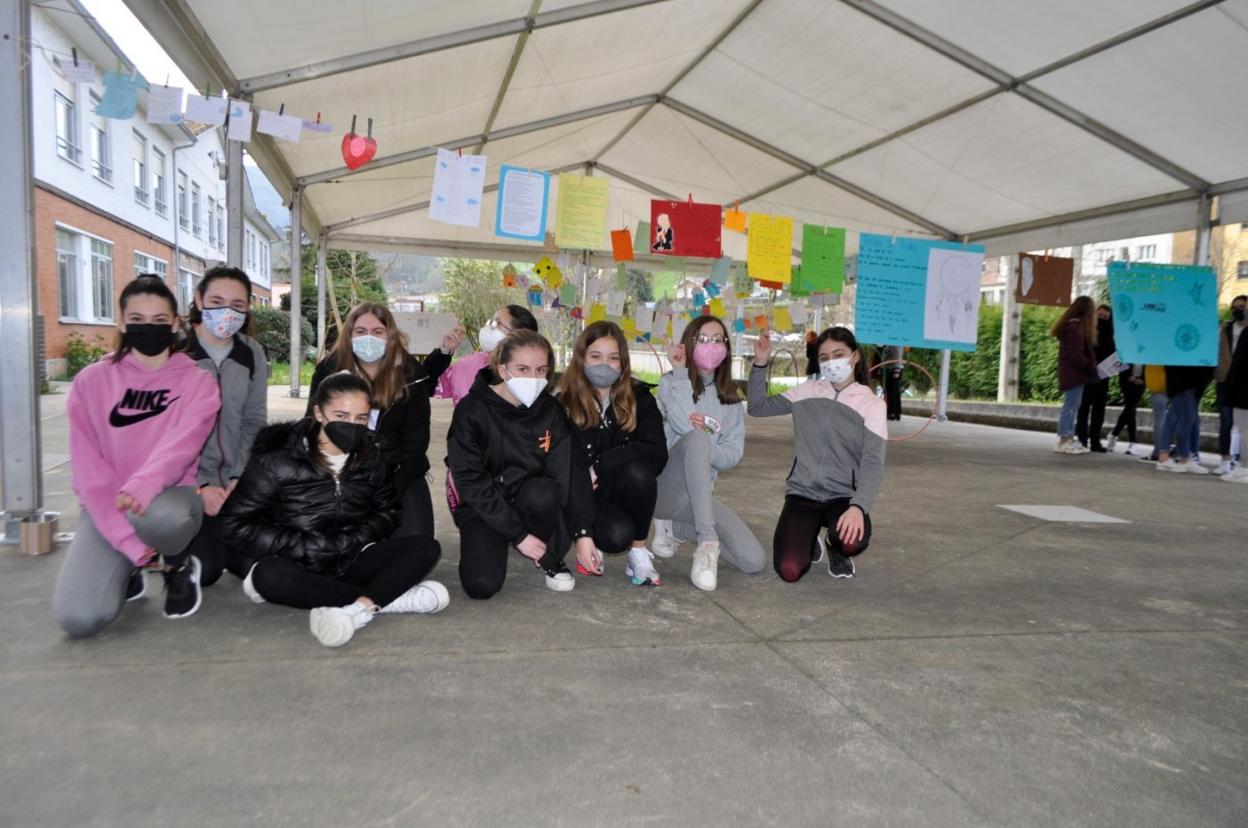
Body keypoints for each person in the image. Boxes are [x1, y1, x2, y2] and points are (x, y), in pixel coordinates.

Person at [220, 372, 448, 647]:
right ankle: (382, 600)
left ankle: (357, 609)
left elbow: (388, 512)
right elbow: (232, 524)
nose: (351, 426)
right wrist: (304, 545)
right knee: (268, 577)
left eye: (361, 418)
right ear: (318, 412)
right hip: (297, 560)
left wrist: (355, 539)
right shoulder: (277, 460)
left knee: (425, 548)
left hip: (350, 555)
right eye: (341, 415)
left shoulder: (371, 457)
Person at [53, 276, 221, 637]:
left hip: (164, 500)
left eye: (160, 321)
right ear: (122, 323)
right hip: (106, 505)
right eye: (137, 319)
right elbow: (87, 468)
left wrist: (143, 485)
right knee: (80, 618)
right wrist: (123, 537)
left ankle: (176, 566)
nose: (148, 328)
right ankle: (131, 563)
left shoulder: (198, 382)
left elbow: (183, 444)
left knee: (168, 517)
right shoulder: (90, 382)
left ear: (176, 324)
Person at [307, 303, 463, 538]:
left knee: (417, 543)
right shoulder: (328, 370)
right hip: (341, 469)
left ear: (390, 335)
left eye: (377, 331)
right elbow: (312, 425)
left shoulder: (411, 374)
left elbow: (416, 442)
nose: (368, 338)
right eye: (360, 331)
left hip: (397, 470)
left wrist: (392, 487)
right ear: (349, 335)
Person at [445, 328, 576, 598]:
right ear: (503, 370)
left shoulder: (551, 410)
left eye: (541, 370)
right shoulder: (471, 411)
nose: (534, 378)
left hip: (530, 498)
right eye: (523, 369)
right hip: (485, 504)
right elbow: (470, 481)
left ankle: (547, 556)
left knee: (542, 495)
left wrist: (561, 539)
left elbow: (559, 477)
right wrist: (518, 535)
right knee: (481, 586)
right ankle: (504, 540)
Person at [750, 326, 886, 581]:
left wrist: (858, 507)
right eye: (824, 358)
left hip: (843, 496)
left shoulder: (872, 405)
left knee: (851, 540)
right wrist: (760, 363)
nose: (831, 362)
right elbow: (757, 407)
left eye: (839, 354)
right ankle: (808, 536)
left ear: (854, 356)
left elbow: (873, 463)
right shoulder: (806, 392)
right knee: (789, 570)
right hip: (803, 493)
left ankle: (837, 548)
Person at [652, 315, 765, 591]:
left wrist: (704, 450)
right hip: (664, 490)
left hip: (698, 499)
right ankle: (707, 543)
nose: (710, 345)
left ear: (726, 347)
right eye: (702, 339)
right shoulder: (671, 382)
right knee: (697, 438)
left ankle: (675, 529)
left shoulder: (732, 402)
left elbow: (731, 455)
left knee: (754, 560)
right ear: (688, 344)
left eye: (717, 339)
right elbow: (682, 425)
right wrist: (680, 372)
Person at [558, 321, 669, 586]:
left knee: (641, 472)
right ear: (582, 358)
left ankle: (639, 551)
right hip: (579, 493)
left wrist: (600, 464)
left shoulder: (640, 397)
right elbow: (566, 462)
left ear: (623, 363)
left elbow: (657, 454)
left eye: (613, 358)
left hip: (615, 488)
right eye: (595, 356)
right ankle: (586, 538)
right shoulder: (562, 400)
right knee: (616, 535)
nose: (604, 365)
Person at [178, 267, 269, 586]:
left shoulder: (252, 352)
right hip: (185, 482)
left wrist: (237, 477)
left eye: (238, 304)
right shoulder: (174, 349)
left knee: (263, 562)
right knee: (206, 571)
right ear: (199, 299)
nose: (227, 312)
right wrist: (200, 486)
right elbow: (161, 434)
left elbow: (254, 421)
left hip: (234, 480)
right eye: (216, 301)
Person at [435, 304, 539, 406]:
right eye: (491, 321)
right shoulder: (466, 365)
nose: (489, 327)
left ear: (519, 335)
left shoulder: (532, 375)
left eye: (497, 323)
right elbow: (429, 385)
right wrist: (445, 350)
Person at [1051, 296, 1099, 455]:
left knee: (1073, 406)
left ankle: (1069, 438)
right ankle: (1064, 439)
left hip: (1073, 373)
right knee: (1070, 407)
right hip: (1074, 374)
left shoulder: (1072, 326)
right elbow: (1075, 354)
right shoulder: (1075, 328)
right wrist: (1091, 367)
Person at [1155, 364, 1214, 474]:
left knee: (1181, 416)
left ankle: (1172, 457)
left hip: (1192, 378)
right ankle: (1185, 457)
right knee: (1187, 417)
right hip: (1185, 378)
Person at [1213, 295, 1248, 475]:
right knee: (1225, 422)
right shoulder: (1225, 329)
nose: (1238, 310)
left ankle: (1242, 463)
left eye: (1242, 306)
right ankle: (1225, 460)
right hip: (1225, 380)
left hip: (1244, 384)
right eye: (1234, 307)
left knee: (1244, 425)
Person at [1077, 304, 1117, 452]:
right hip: (1087, 376)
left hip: (1103, 377)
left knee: (1099, 410)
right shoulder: (1087, 334)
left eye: (1106, 317)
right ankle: (1081, 439)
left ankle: (1095, 441)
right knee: (1084, 408)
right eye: (1100, 316)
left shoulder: (1109, 338)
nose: (1102, 320)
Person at [1106, 364, 1145, 455]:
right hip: (1126, 380)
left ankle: (1114, 434)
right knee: (1131, 409)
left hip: (1140, 382)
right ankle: (1133, 442)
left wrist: (1143, 379)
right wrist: (1128, 376)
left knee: (1131, 408)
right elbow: (1121, 363)